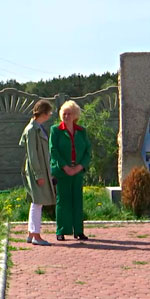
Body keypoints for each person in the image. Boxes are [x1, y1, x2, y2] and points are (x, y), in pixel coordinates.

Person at [49, 100, 92, 241]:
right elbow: (53, 150)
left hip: (78, 171)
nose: (66, 116)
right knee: (63, 201)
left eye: (69, 114)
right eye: (64, 114)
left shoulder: (81, 131)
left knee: (77, 201)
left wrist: (79, 167)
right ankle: (61, 230)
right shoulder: (55, 130)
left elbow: (87, 151)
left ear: (75, 116)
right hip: (62, 171)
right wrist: (65, 167)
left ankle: (78, 231)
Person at [18, 99, 56, 246]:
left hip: (39, 169)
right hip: (36, 171)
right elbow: (33, 155)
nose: (50, 115)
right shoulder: (32, 130)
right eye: (49, 112)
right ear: (44, 113)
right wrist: (39, 175)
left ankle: (31, 234)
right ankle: (36, 235)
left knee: (36, 202)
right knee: (38, 202)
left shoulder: (37, 127)